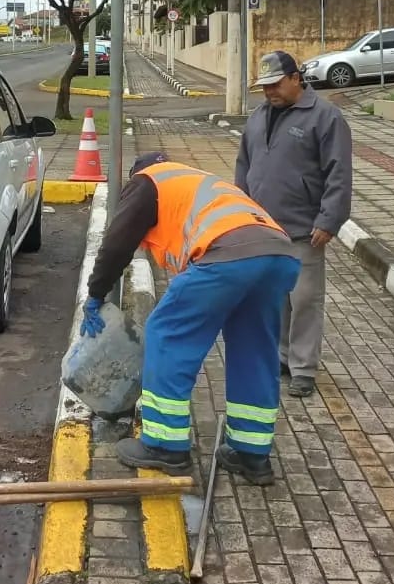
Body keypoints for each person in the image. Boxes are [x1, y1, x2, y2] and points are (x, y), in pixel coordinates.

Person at [80, 152, 301, 485]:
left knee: (166, 333)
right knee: (254, 350)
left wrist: (95, 295)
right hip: (279, 255)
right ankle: (251, 453)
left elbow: (116, 244)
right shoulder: (199, 180)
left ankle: (164, 445)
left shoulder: (147, 182)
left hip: (227, 254)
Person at [235, 50, 352, 398]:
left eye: (275, 84)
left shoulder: (325, 117)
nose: (270, 92)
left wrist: (329, 219)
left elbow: (339, 174)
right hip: (265, 228)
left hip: (305, 230)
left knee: (304, 300)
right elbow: (244, 165)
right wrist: (241, 211)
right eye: (264, 86)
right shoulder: (257, 117)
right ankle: (282, 357)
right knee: (275, 299)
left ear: (295, 78)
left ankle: (303, 368)